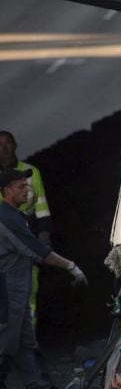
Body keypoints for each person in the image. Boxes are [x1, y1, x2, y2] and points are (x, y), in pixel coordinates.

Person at [0, 168, 87, 389]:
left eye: (26, 186)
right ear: (6, 191)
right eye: (20, 187)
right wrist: (71, 266)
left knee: (24, 342)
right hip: (6, 291)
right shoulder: (7, 219)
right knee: (5, 343)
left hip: (16, 290)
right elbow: (37, 250)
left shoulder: (14, 216)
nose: (26, 190)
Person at [0, 131, 51, 326]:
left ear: (15, 145)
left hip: (25, 242)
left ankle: (28, 346)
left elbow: (43, 212)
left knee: (29, 294)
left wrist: (43, 242)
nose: (3, 149)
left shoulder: (31, 172)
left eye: (7, 144)